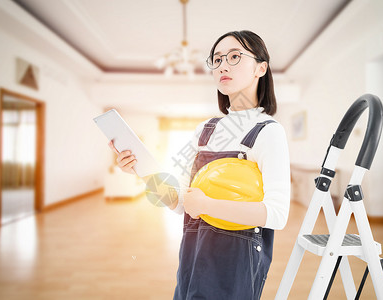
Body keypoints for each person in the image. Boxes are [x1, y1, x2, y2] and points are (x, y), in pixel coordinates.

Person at [110, 30, 290, 300]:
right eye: (216, 60)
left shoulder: (269, 131)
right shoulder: (204, 130)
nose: (223, 66)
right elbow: (182, 202)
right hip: (194, 253)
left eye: (234, 57)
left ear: (260, 68)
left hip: (236, 261)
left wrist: (206, 206)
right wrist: (141, 172)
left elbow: (277, 214)